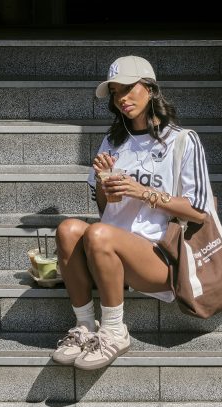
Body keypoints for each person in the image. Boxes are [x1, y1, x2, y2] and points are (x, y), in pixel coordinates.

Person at [53, 55, 210, 370]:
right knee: (68, 229)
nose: (121, 98)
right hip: (107, 248)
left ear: (150, 89)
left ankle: (114, 331)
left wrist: (142, 192)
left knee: (99, 233)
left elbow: (198, 211)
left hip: (157, 255)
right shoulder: (112, 142)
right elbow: (105, 209)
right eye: (115, 92)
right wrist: (104, 185)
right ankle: (85, 326)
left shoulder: (182, 141)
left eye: (128, 88)